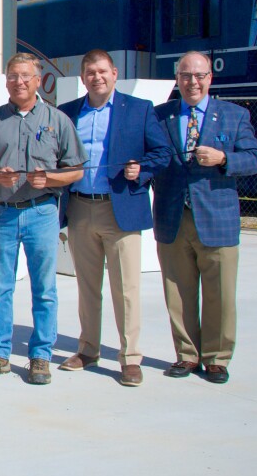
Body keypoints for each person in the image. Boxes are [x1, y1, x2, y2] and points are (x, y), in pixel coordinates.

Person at [0, 53, 85, 386]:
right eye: (12, 76)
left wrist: (50, 178)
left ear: (37, 79)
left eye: (25, 76)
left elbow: (75, 170)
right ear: (6, 81)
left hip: (41, 213)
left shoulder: (57, 121)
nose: (18, 82)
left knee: (44, 290)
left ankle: (40, 356)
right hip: (2, 215)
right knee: (0, 289)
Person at [56, 49, 172, 387]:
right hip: (79, 208)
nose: (97, 77)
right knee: (87, 287)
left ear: (115, 73)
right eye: (91, 72)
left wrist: (143, 169)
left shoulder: (139, 110)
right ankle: (88, 349)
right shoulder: (68, 113)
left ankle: (130, 357)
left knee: (126, 289)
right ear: (82, 78)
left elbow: (161, 152)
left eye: (103, 71)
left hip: (120, 208)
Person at [152, 51, 257, 385]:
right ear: (177, 79)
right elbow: (150, 158)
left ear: (210, 78)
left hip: (217, 219)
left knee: (220, 294)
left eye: (199, 76)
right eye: (186, 76)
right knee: (178, 292)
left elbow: (256, 159)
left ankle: (216, 358)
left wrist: (223, 158)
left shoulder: (234, 116)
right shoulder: (161, 117)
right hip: (173, 217)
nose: (192, 82)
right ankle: (187, 355)